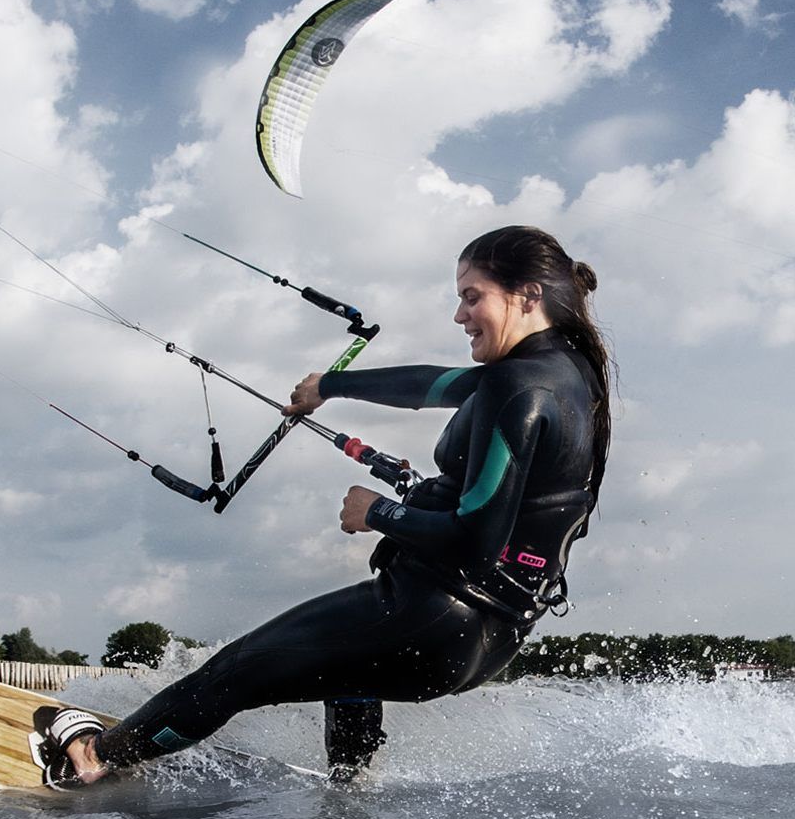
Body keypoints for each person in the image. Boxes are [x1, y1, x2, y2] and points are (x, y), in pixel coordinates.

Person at [39, 225, 612, 787]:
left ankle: (94, 757)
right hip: (490, 633)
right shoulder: (564, 374)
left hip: (434, 613)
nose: (460, 316)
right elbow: (430, 385)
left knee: (236, 673)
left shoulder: (518, 388)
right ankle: (350, 797)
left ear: (527, 295)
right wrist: (331, 386)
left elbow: (475, 540)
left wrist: (377, 512)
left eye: (471, 297)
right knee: (350, 668)